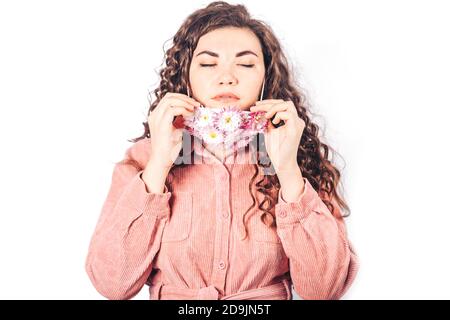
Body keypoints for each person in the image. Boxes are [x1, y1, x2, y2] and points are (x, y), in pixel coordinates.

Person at [85, 1, 359, 300]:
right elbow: (112, 283)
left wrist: (288, 171)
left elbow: (324, 290)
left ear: (266, 79)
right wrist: (159, 166)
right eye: (207, 63)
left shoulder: (296, 158)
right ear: (185, 76)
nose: (227, 76)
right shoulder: (143, 160)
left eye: (245, 63)